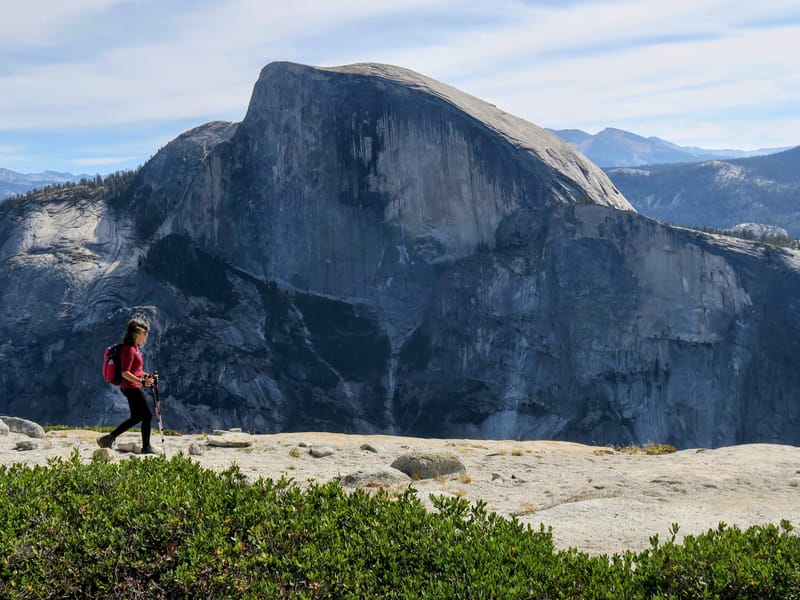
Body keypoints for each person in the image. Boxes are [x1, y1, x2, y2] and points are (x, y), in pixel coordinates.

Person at [97, 318, 157, 453]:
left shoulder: (135, 348)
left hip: (131, 386)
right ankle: (146, 447)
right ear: (138, 333)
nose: (146, 335)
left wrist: (147, 376)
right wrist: (142, 382)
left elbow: (136, 370)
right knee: (147, 415)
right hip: (131, 387)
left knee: (137, 417)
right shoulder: (128, 349)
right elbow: (125, 373)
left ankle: (109, 438)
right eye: (145, 333)